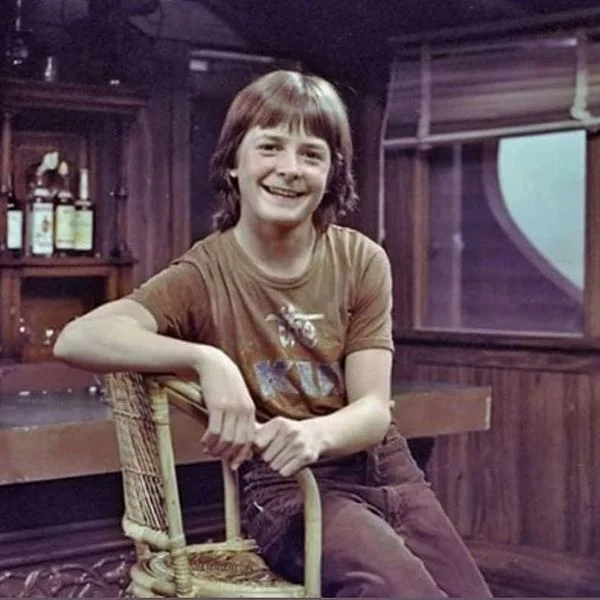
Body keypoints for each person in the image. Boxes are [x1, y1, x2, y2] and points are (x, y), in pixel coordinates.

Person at [53, 69, 492, 598]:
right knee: (407, 593)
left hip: (388, 471)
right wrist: (206, 360)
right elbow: (78, 338)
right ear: (233, 162)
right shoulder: (204, 273)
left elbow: (374, 410)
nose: (290, 169)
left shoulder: (361, 260)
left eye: (311, 154)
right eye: (270, 147)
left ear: (333, 173)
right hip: (287, 490)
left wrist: (316, 435)